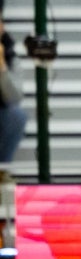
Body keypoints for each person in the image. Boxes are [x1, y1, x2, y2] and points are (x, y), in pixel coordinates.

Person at [0, 19, 26, 163]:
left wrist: (2, 68)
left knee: (17, 116)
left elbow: (15, 97)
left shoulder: (9, 53)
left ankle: (2, 171)